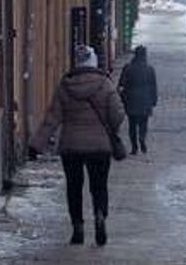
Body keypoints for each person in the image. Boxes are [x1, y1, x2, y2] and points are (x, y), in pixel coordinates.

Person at [29, 45, 126, 246]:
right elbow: (117, 114)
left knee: (74, 187)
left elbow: (52, 119)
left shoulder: (65, 86)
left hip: (71, 146)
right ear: (94, 62)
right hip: (100, 146)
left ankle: (78, 227)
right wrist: (111, 127)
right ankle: (100, 214)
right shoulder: (105, 84)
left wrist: (36, 145)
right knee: (99, 186)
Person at [118, 45, 158, 155]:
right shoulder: (150, 69)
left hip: (131, 99)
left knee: (132, 125)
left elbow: (121, 84)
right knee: (143, 123)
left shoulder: (128, 68)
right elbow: (154, 86)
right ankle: (142, 137)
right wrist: (154, 100)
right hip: (145, 99)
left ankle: (134, 147)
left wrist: (122, 98)